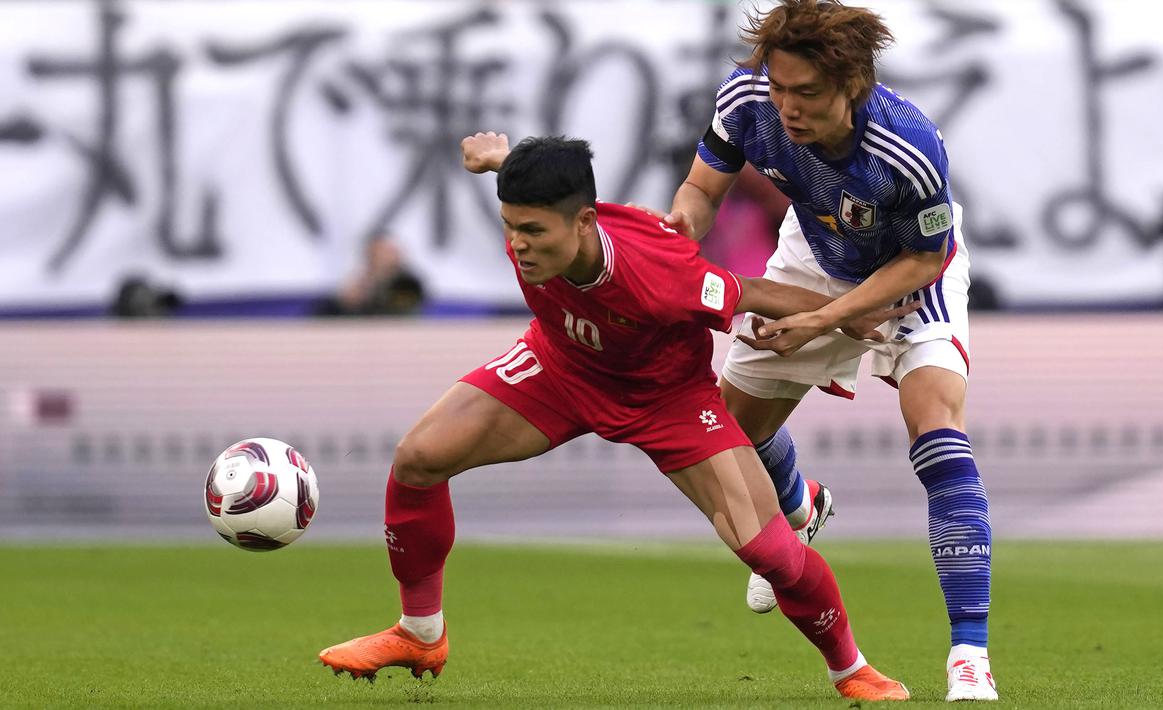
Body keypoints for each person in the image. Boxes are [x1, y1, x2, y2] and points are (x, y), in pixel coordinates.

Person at [318, 132, 918, 701]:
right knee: (419, 458)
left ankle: (853, 668)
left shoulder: (658, 273)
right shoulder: (549, 214)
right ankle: (419, 634)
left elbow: (752, 290)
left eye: (532, 231)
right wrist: (502, 158)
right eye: (509, 228)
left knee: (770, 553)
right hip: (560, 366)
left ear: (583, 223)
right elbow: (545, 182)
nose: (519, 244)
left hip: (667, 400)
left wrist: (844, 313)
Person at [646, 0, 998, 701]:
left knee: (939, 440)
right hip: (812, 258)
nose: (786, 108)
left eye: (805, 93)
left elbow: (924, 260)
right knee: (726, 438)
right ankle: (800, 504)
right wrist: (677, 230)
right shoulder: (746, 98)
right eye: (779, 88)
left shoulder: (908, 144)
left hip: (909, 275)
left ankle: (968, 653)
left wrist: (827, 320)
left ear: (852, 85)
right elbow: (700, 188)